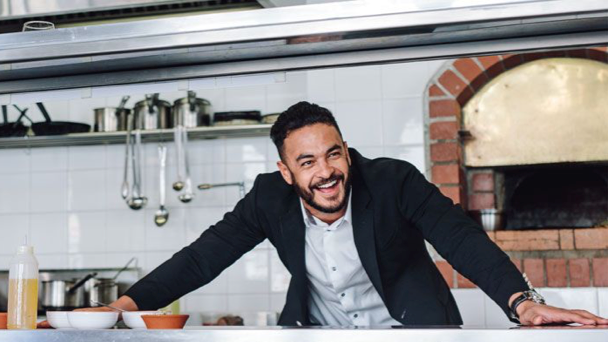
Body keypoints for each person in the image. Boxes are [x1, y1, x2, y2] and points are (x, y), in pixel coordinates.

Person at [42, 102, 607, 327]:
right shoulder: (268, 199)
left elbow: (459, 237)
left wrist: (522, 303)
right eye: (308, 162)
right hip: (318, 339)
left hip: (412, 334)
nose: (327, 171)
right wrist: (125, 305)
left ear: (346, 151)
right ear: (287, 172)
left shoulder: (391, 181)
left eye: (333, 153)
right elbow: (203, 258)